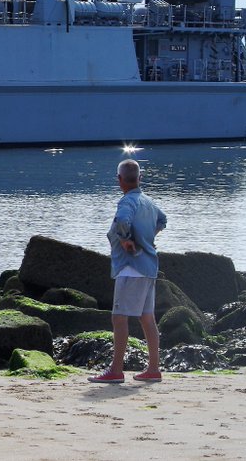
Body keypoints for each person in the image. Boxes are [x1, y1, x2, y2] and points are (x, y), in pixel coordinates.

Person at [90, 159, 167, 383]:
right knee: (147, 318)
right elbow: (163, 219)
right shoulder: (149, 202)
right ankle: (153, 368)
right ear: (140, 178)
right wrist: (147, 236)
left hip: (130, 267)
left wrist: (126, 240)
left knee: (119, 317)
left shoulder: (127, 202)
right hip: (149, 266)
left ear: (119, 180)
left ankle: (116, 370)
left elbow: (123, 220)